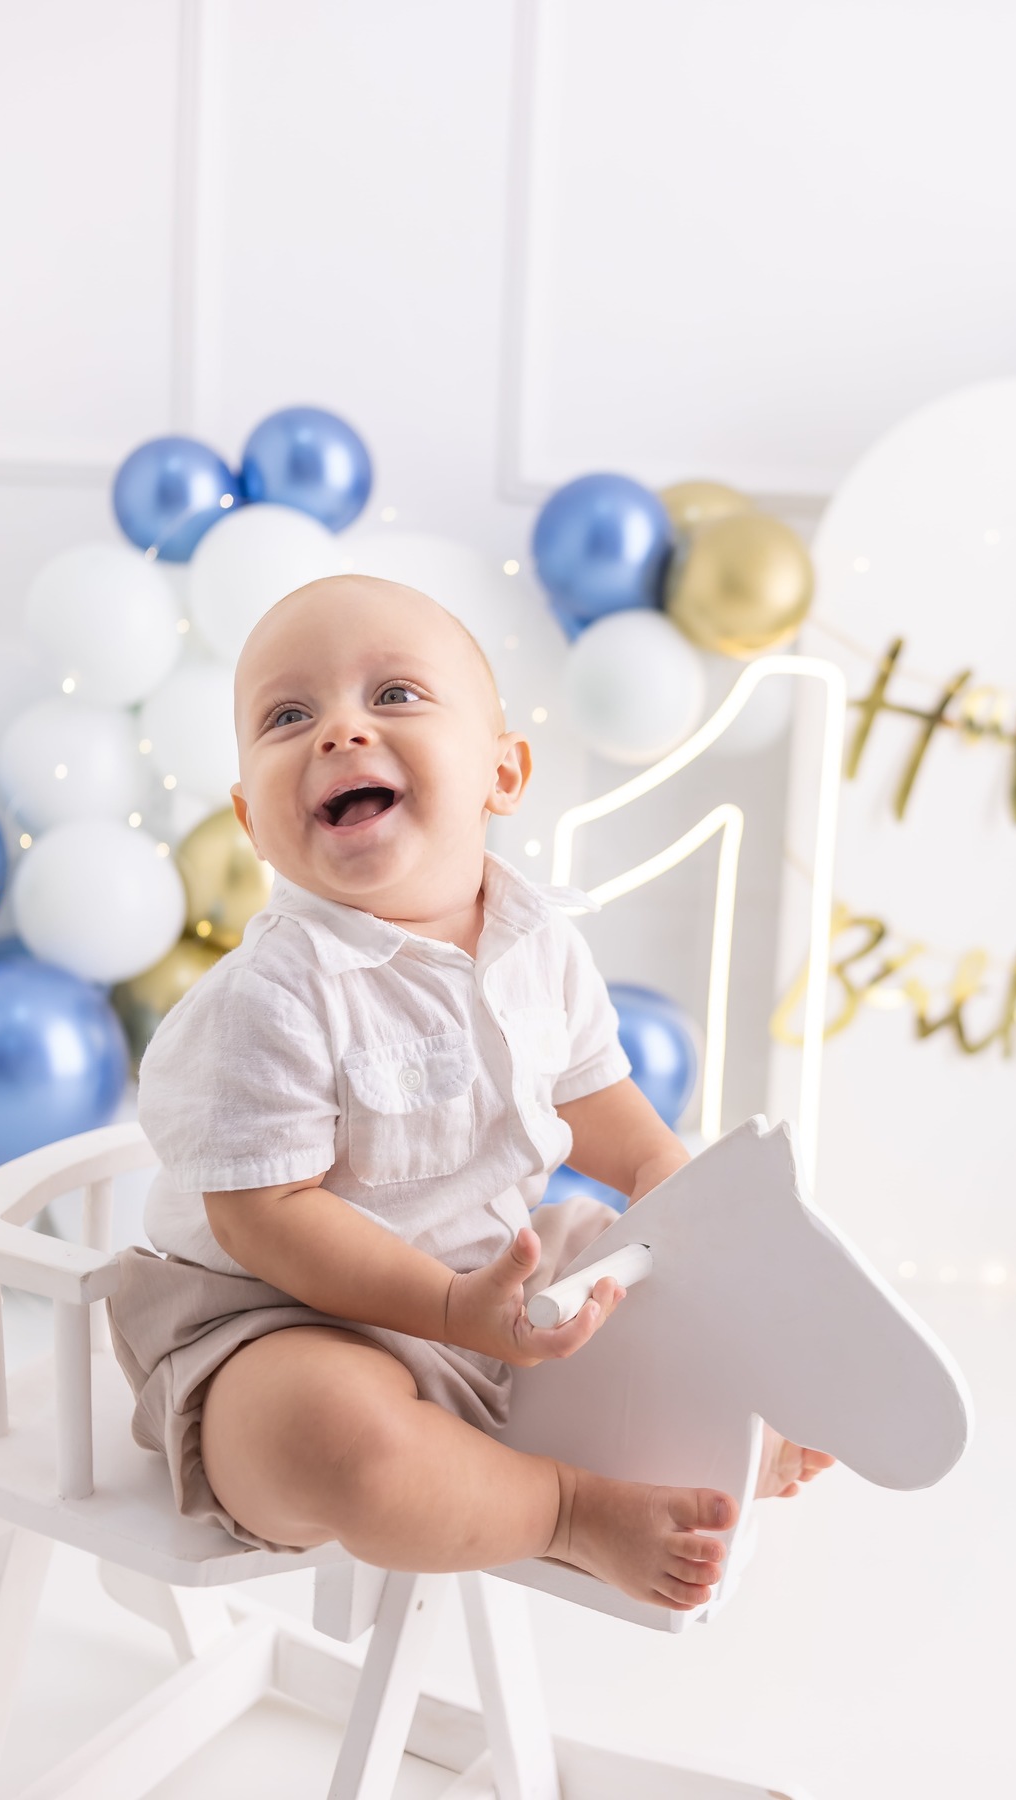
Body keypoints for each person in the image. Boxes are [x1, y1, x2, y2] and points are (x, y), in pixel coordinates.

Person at [107, 575, 832, 1613]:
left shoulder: (541, 941)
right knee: (338, 1439)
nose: (339, 732)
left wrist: (664, 1174)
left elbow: (596, 1095)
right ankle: (565, 1510)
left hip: (490, 1279)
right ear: (251, 822)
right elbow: (264, 1219)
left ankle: (724, 1429)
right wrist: (447, 1311)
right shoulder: (271, 995)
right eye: (287, 716)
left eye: (394, 696)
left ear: (504, 770)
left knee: (653, 1277)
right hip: (273, 1319)